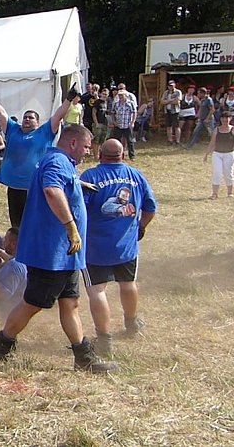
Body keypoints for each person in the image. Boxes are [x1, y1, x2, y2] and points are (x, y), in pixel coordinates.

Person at [0, 125, 118, 373]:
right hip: (52, 253)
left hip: (65, 255)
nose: (89, 152)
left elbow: (60, 186)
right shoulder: (57, 161)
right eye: (87, 147)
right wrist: (71, 227)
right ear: (73, 143)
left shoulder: (62, 163)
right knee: (32, 303)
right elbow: (52, 190)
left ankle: (83, 357)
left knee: (70, 303)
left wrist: (77, 186)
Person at [81, 139, 157, 356]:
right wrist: (140, 228)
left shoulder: (90, 177)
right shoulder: (135, 175)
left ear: (99, 155)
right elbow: (151, 208)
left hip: (95, 247)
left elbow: (79, 211)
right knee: (128, 283)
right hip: (126, 245)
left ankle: (104, 340)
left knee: (97, 290)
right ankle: (132, 322)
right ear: (123, 155)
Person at [0, 82, 75, 227]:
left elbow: (58, 115)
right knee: (16, 225)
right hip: (14, 187)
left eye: (31, 118)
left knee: (34, 224)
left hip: (35, 187)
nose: (27, 119)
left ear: (38, 122)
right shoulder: (13, 129)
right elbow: (0, 113)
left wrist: (69, 99)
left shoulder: (45, 132)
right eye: (25, 117)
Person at [203, 111, 234, 199]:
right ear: (220, 119)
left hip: (229, 154)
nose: (225, 120)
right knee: (217, 173)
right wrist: (207, 154)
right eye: (223, 118)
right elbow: (212, 142)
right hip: (217, 154)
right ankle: (214, 193)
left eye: (227, 118)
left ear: (230, 119)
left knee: (228, 173)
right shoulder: (217, 129)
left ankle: (230, 193)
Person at [110, 91, 136, 160]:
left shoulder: (131, 103)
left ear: (126, 96)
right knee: (117, 141)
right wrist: (114, 121)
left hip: (127, 125)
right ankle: (117, 155)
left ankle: (132, 156)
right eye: (119, 95)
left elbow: (134, 113)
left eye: (122, 95)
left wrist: (132, 122)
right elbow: (112, 113)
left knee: (130, 141)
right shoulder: (115, 104)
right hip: (118, 125)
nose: (120, 97)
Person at [160, 80, 183, 145]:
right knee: (168, 126)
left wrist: (167, 101)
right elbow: (162, 102)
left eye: (172, 86)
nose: (171, 87)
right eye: (169, 86)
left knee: (176, 126)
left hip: (175, 111)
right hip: (167, 111)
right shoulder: (166, 93)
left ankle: (177, 141)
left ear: (174, 85)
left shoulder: (178, 92)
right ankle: (170, 140)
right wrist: (170, 100)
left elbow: (177, 102)